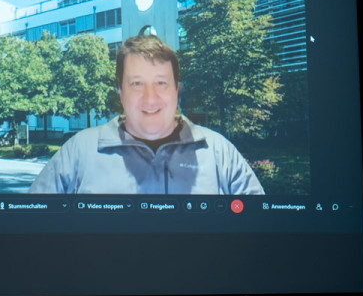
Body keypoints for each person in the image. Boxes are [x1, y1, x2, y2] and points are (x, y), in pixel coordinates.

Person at [28, 35, 265, 195]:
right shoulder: (79, 150)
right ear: (120, 91)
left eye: (161, 83)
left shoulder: (218, 151)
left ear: (176, 90)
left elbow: (261, 228)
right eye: (137, 84)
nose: (150, 98)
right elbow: (31, 225)